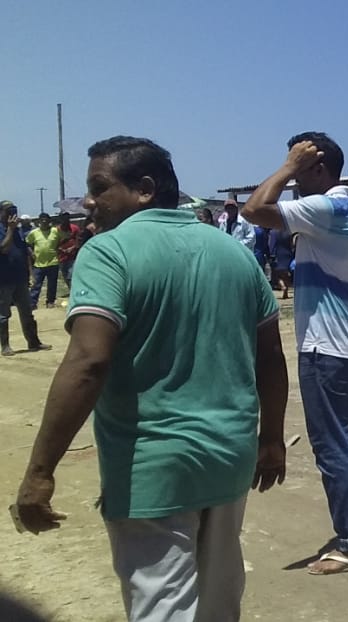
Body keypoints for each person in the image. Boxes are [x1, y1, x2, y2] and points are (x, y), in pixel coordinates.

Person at [13, 136, 289, 622]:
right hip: (229, 456)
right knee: (219, 603)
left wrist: (40, 471)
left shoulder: (108, 253)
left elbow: (88, 362)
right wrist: (271, 439)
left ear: (144, 188)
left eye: (99, 187)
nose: (89, 202)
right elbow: (270, 357)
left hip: (153, 466)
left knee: (162, 608)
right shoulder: (234, 253)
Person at [242, 132, 348, 575]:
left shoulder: (328, 207)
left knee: (332, 444)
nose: (293, 177)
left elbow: (254, 210)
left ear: (318, 168)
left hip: (325, 346)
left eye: (301, 167)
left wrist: (287, 166)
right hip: (347, 342)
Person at [0, 201, 49, 356]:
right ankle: (5, 346)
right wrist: (10, 229)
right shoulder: (5, 229)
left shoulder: (18, 230)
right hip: (4, 280)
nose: (12, 213)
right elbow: (3, 249)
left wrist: (30, 273)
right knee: (3, 314)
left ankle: (33, 342)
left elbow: (24, 251)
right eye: (9, 210)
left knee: (27, 312)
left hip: (20, 278)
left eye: (14, 210)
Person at [26, 213, 63, 309]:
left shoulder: (55, 231)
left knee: (52, 284)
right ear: (39, 221)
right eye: (42, 220)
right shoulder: (34, 233)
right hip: (39, 263)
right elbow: (27, 243)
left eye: (46, 220)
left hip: (53, 262)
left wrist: (58, 249)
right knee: (36, 284)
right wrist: (31, 252)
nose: (44, 221)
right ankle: (32, 303)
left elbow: (62, 240)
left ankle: (50, 301)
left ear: (49, 221)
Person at [56, 213, 81, 289]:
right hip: (62, 257)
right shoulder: (56, 230)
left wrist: (72, 248)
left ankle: (73, 290)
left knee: (71, 274)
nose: (66, 220)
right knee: (65, 275)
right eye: (64, 218)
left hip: (73, 256)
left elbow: (79, 241)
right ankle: (71, 289)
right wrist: (62, 249)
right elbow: (54, 243)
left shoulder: (75, 228)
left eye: (67, 218)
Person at [270, 228, 295, 300]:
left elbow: (272, 244)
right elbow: (292, 245)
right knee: (285, 274)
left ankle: (283, 286)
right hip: (288, 254)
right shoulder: (289, 232)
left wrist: (271, 254)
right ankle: (286, 291)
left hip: (278, 255)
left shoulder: (273, 232)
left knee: (277, 275)